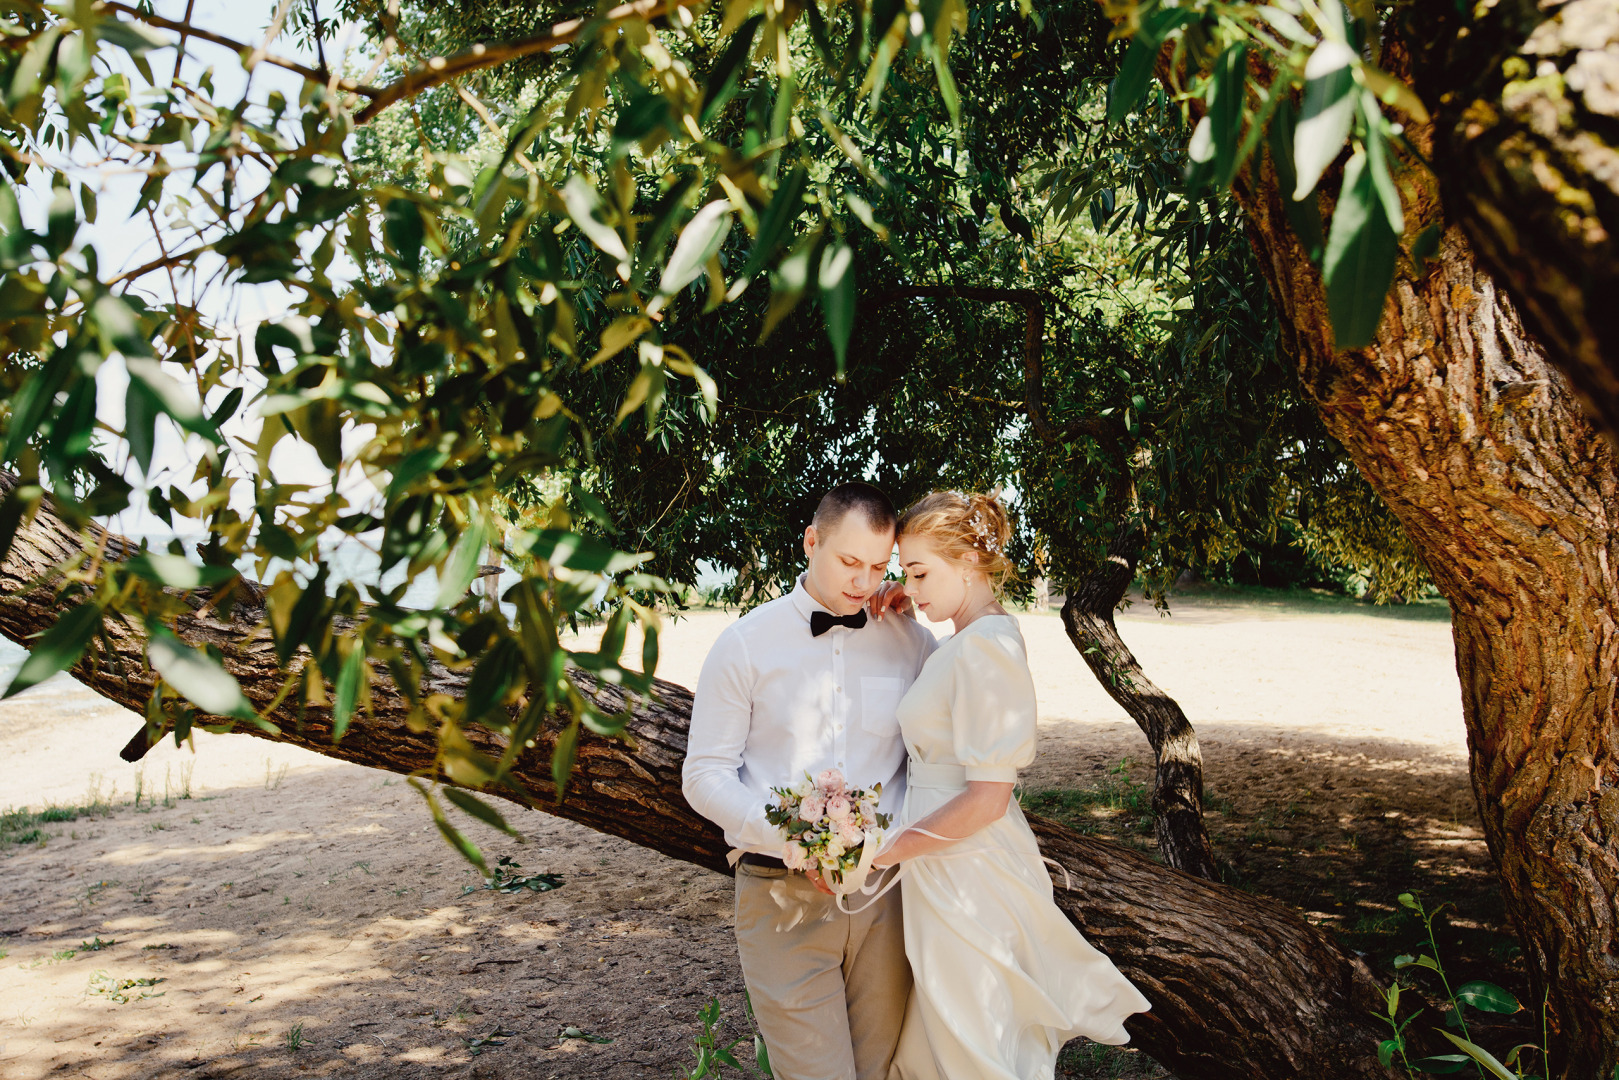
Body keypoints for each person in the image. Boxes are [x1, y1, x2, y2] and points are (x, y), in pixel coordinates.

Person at [865, 489, 1151, 1080]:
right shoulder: (968, 638)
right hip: (941, 860)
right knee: (945, 1032)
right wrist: (910, 599)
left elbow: (988, 798)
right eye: (906, 573)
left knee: (970, 1037)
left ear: (969, 560)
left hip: (963, 864)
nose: (912, 587)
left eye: (921, 573)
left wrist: (885, 852)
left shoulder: (987, 647)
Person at [683, 482, 938, 1080]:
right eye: (850, 561)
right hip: (781, 898)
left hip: (888, 898)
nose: (863, 581)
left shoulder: (914, 644)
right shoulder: (744, 644)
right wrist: (790, 837)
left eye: (879, 567)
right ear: (810, 541)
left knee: (878, 1071)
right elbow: (704, 773)